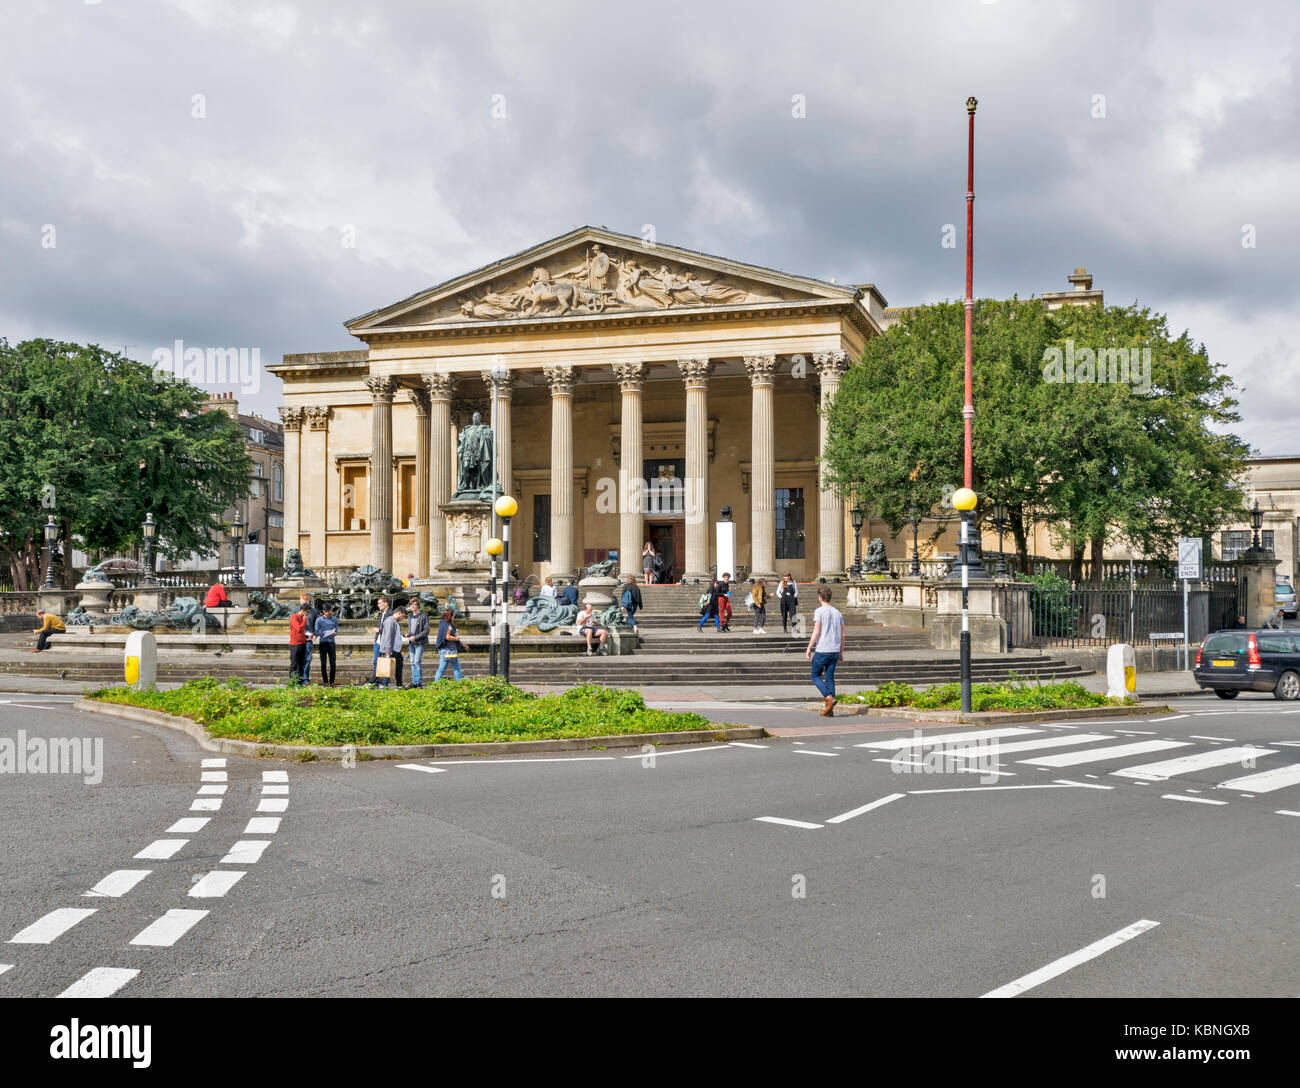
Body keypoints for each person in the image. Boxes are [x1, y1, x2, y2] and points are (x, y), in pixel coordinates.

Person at [806, 586, 845, 716]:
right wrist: (841, 652)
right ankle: (830, 710)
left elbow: (817, 632)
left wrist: (809, 647)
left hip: (823, 649)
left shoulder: (819, 611)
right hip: (834, 649)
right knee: (829, 678)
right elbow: (843, 634)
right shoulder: (837, 612)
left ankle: (828, 697)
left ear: (820, 598)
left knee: (815, 675)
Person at [376, 606, 405, 689]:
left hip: (396, 649)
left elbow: (395, 635)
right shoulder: (390, 622)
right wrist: (388, 651)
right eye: (403, 616)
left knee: (397, 667)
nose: (403, 618)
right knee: (386, 666)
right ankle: (374, 682)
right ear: (398, 613)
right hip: (392, 650)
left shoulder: (394, 622)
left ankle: (399, 684)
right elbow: (388, 636)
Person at [434, 608, 466, 681]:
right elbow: (447, 637)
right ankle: (461, 684)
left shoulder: (442, 623)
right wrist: (457, 638)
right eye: (453, 615)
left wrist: (463, 644)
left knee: (441, 669)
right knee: (456, 668)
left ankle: (434, 685)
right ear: (450, 615)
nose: (454, 616)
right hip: (450, 650)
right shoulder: (449, 625)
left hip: (443, 649)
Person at [313, 603, 338, 686]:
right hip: (323, 642)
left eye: (329, 611)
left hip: (331, 642)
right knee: (323, 663)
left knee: (333, 663)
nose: (328, 613)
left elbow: (336, 630)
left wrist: (334, 633)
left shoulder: (334, 619)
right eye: (326, 611)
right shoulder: (319, 620)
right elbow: (316, 632)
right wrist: (323, 633)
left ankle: (332, 681)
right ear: (323, 611)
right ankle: (325, 681)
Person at [407, 603, 430, 688]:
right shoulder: (410, 616)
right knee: (412, 662)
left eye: (414, 604)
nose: (412, 606)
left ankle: (419, 682)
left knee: (417, 661)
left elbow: (426, 630)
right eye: (411, 605)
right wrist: (408, 634)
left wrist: (415, 637)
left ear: (418, 606)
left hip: (420, 642)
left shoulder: (423, 616)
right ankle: (414, 682)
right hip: (411, 642)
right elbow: (412, 630)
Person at [298, 593, 319, 683]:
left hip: (308, 639)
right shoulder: (295, 611)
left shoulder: (313, 611)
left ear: (309, 601)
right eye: (303, 601)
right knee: (298, 659)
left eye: (307, 601)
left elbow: (316, 624)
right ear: (300, 600)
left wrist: (314, 634)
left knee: (307, 659)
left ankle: (305, 678)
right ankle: (298, 677)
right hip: (298, 639)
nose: (305, 602)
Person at [289, 603, 310, 683]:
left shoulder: (302, 618)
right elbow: (298, 628)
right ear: (303, 611)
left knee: (301, 664)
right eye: (307, 612)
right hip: (295, 643)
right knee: (294, 663)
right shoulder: (294, 617)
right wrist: (304, 620)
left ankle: (299, 682)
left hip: (302, 642)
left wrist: (307, 636)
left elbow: (301, 632)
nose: (308, 614)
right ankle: (292, 682)